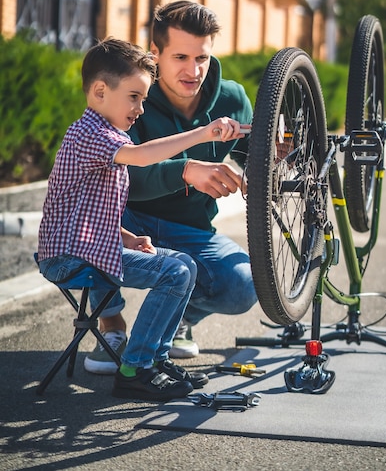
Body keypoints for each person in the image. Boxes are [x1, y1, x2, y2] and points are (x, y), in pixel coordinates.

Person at [37, 37, 246, 402]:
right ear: (100, 91)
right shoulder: (92, 134)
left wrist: (128, 238)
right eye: (134, 97)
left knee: (184, 265)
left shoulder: (104, 134)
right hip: (69, 257)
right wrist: (202, 133)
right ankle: (135, 369)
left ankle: (156, 358)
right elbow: (143, 156)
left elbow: (86, 210)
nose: (141, 108)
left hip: (86, 247)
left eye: (144, 99)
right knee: (175, 272)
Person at [84, 0, 258, 376]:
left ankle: (177, 321)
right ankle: (111, 326)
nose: (193, 70)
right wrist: (185, 171)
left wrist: (276, 154)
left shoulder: (233, 100)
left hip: (191, 229)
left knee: (245, 284)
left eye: (202, 58)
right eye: (180, 56)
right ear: (156, 53)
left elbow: (255, 161)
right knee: (92, 219)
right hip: (129, 215)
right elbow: (112, 172)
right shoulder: (130, 96)